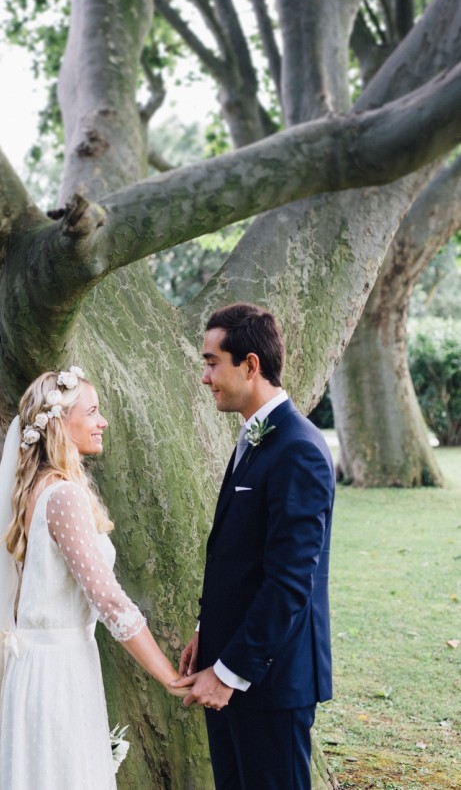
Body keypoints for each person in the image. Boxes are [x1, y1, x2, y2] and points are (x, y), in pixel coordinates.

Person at [0, 367, 184, 789]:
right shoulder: (64, 496)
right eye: (92, 412)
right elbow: (109, 602)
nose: (102, 421)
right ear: (59, 423)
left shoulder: (36, 487)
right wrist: (169, 677)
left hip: (37, 669)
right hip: (56, 676)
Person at [173, 303, 335, 790]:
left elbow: (288, 581)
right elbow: (238, 558)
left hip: (269, 681)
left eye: (211, 362)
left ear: (250, 365)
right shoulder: (255, 437)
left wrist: (227, 672)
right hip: (229, 665)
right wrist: (209, 630)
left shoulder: (298, 448)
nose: (205, 378)